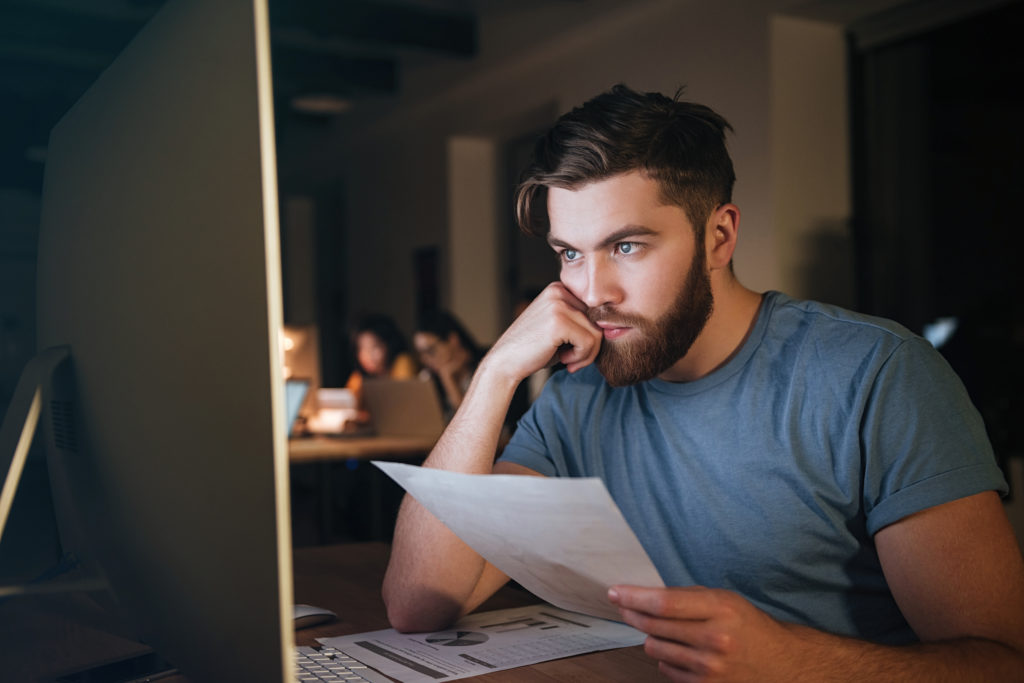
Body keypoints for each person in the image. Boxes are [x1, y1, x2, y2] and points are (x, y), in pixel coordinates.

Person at [382, 84, 1024, 679]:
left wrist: (790, 661)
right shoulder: (580, 393)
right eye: (570, 253)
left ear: (719, 236)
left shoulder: (877, 375)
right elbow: (419, 602)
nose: (591, 292)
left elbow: (1001, 661)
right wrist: (494, 372)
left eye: (627, 246)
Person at [412, 310, 484, 420]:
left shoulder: (484, 371)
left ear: (453, 340)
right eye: (421, 354)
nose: (425, 359)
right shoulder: (430, 377)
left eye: (430, 351)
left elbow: (472, 423)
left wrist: (447, 378)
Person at [345, 313, 417, 422]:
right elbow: (349, 407)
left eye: (374, 347)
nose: (368, 356)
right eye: (362, 349)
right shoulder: (359, 376)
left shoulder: (402, 363)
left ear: (389, 345)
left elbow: (402, 406)